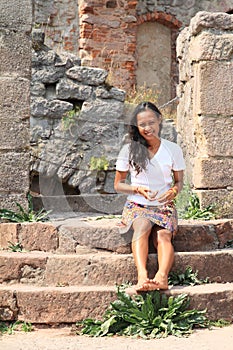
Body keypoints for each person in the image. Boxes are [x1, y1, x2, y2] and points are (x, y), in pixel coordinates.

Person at [114, 101, 185, 293]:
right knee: (143, 226)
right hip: (138, 205)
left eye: (151, 122)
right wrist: (137, 190)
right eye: (142, 124)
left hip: (163, 206)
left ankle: (162, 277)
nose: (147, 128)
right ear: (137, 127)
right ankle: (142, 277)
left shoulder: (173, 150)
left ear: (159, 120)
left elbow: (179, 182)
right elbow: (118, 184)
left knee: (163, 235)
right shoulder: (128, 150)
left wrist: (173, 192)